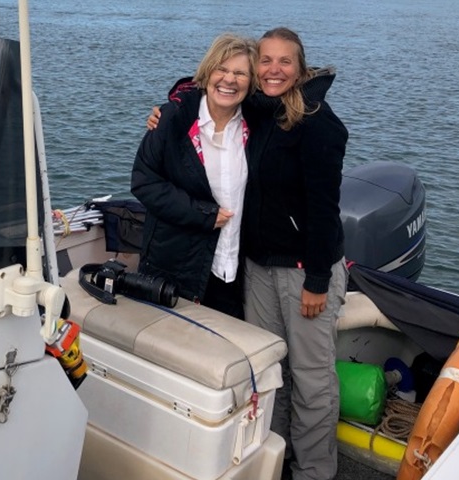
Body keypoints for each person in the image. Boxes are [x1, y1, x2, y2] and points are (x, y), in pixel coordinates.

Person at [147, 27, 349, 480]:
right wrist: (172, 107)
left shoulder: (318, 124)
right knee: (267, 369)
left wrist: (318, 279)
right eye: (266, 61)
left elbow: (324, 211)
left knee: (312, 379)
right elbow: (211, 86)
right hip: (258, 267)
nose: (273, 70)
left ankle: (315, 470)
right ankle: (270, 456)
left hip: (304, 272)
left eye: (285, 62)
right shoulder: (261, 110)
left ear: (300, 69)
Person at [130, 33, 258, 319]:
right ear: (206, 73)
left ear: (251, 83)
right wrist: (204, 215)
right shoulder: (172, 119)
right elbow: (144, 181)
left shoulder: (258, 125)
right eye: (221, 69)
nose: (229, 80)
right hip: (177, 264)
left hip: (235, 268)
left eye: (240, 73)